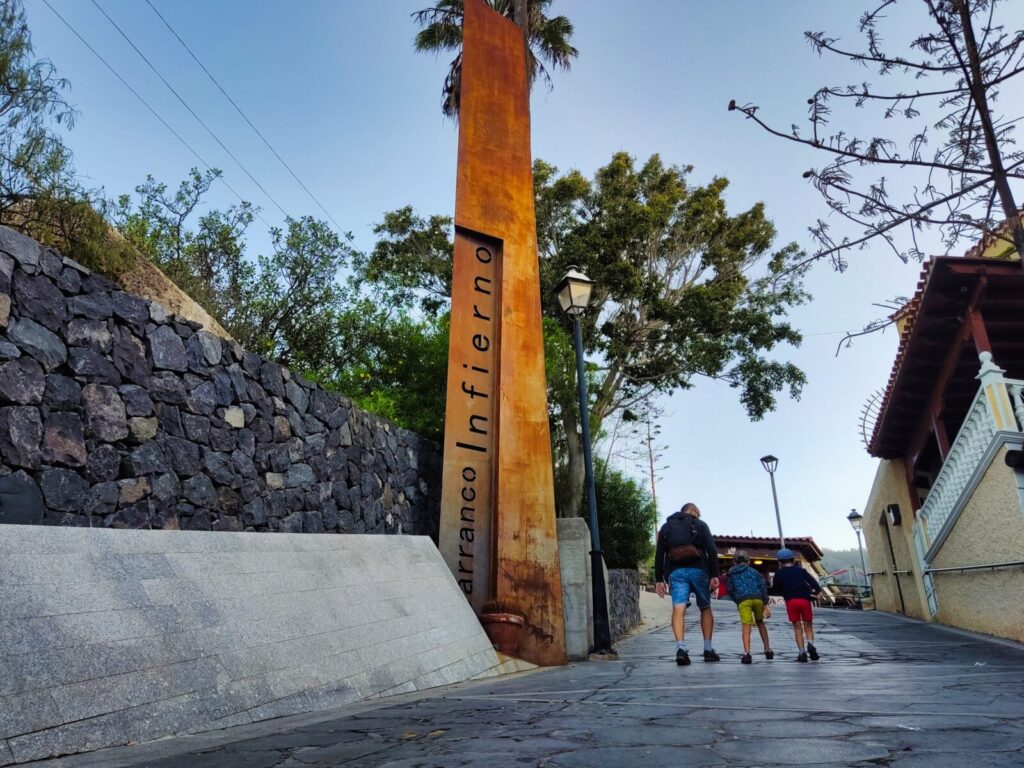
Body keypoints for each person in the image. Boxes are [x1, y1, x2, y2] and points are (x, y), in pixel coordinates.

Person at [654, 503, 721, 665]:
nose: (698, 516)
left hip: (676, 572)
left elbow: (660, 553)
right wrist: (714, 574)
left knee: (678, 608)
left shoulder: (666, 527)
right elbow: (711, 549)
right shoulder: (700, 524)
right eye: (698, 513)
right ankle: (707, 649)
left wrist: (658, 579)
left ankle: (681, 648)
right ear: (692, 512)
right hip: (699, 570)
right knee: (705, 607)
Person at [771, 548, 823, 662]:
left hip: (791, 602)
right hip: (804, 600)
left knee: (797, 627)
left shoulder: (779, 574)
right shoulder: (801, 571)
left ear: (779, 561)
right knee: (808, 626)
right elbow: (814, 583)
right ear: (793, 560)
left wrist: (784, 591)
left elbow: (775, 589)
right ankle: (810, 644)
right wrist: (817, 592)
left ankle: (802, 653)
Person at [724, 551, 773, 664]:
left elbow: (730, 589)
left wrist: (737, 600)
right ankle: (768, 650)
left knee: (746, 626)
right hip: (758, 598)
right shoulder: (755, 572)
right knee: (760, 622)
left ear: (734, 562)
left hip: (743, 600)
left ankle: (747, 654)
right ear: (748, 561)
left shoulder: (731, 573)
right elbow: (762, 587)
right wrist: (766, 603)